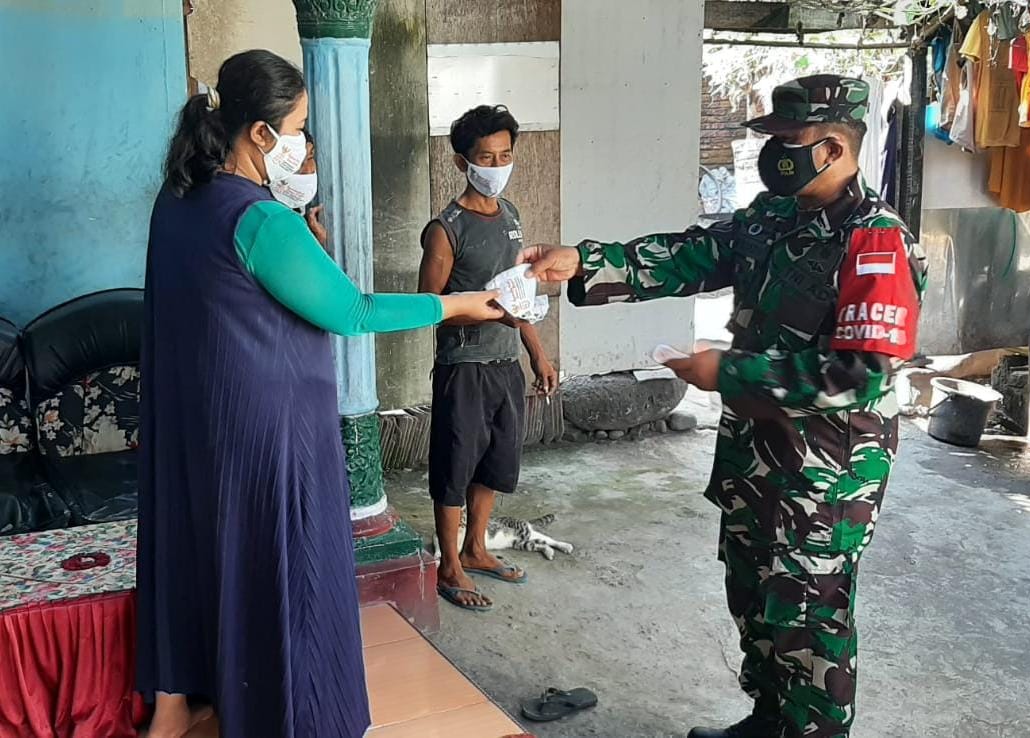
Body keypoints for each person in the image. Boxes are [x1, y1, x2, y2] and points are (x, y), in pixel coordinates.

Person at [519, 76, 927, 738]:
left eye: (788, 140)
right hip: (757, 457)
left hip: (825, 474)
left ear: (832, 148)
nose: (774, 153)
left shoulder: (874, 240)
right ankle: (769, 719)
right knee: (755, 597)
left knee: (806, 620)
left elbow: (861, 374)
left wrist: (728, 372)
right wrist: (585, 262)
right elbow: (693, 254)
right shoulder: (772, 216)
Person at [136, 49, 503, 738]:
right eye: (298, 128)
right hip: (268, 427)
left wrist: (309, 249)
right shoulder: (259, 218)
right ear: (260, 133)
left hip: (197, 417)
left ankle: (175, 705)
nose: (303, 142)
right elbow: (351, 311)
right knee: (289, 565)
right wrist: (457, 304)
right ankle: (297, 715)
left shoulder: (179, 197)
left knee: (199, 550)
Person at [418, 105, 558, 611]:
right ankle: (449, 565)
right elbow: (429, 307)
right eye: (485, 157)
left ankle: (475, 548)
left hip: (505, 365)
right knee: (455, 465)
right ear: (463, 162)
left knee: (495, 462)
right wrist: (484, 312)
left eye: (504, 155)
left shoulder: (511, 215)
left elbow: (519, 296)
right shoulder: (446, 228)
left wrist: (538, 354)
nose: (497, 165)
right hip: (464, 367)